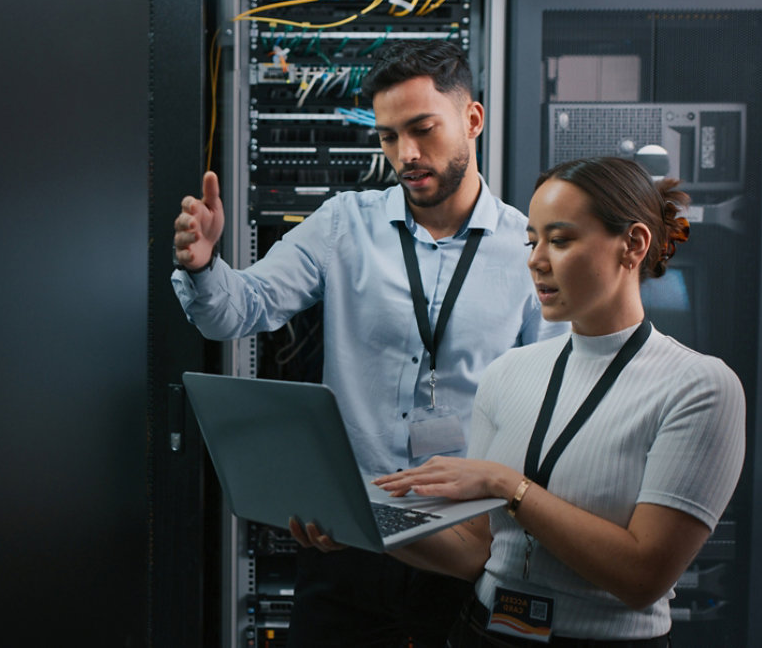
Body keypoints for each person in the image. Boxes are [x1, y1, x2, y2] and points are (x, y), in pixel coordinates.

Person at [172, 39, 566, 647]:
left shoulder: (528, 249)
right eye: (387, 137)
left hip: (466, 548)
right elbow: (237, 311)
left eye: (422, 129)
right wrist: (204, 266)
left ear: (473, 119)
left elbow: (554, 404)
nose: (405, 154)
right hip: (346, 542)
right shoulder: (342, 224)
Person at [322, 156, 746, 647]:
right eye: (532, 240)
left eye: (560, 240)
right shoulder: (508, 372)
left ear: (633, 244)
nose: (536, 260)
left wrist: (508, 486)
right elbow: (475, 552)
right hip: (482, 632)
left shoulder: (699, 387)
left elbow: (642, 577)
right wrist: (362, 523)